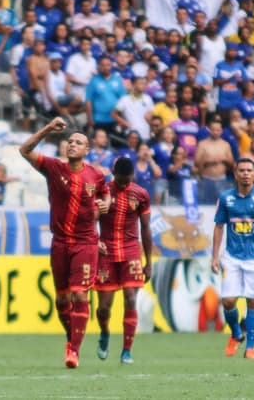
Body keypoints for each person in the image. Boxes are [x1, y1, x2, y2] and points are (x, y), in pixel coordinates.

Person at [19, 117, 110, 369]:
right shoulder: (53, 168)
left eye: (78, 142)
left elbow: (105, 193)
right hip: (60, 243)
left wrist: (106, 204)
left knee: (80, 295)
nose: (72, 145)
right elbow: (24, 150)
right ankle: (71, 339)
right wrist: (48, 128)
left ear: (87, 150)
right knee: (62, 300)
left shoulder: (96, 175)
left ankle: (74, 350)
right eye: (69, 141)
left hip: (85, 243)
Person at [212, 158, 254, 360]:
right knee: (228, 301)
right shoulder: (225, 198)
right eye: (242, 170)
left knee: (253, 302)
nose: (246, 174)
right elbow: (219, 227)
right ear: (235, 173)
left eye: (249, 170)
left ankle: (250, 348)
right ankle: (236, 333)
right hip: (232, 257)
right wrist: (214, 257)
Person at [95, 156, 152, 365]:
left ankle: (127, 350)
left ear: (132, 175)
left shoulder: (141, 194)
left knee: (130, 298)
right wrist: (94, 241)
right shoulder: (103, 191)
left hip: (130, 252)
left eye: (127, 179)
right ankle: (104, 333)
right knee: (104, 307)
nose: (124, 183)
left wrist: (149, 263)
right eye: (120, 179)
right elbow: (90, 219)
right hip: (106, 253)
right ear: (113, 173)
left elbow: (146, 229)